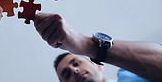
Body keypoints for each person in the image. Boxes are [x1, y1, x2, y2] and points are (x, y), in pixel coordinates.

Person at [33, 11, 162, 81]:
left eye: (77, 63)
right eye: (67, 75)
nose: (74, 70)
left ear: (98, 66)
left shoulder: (130, 71)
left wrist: (87, 45)